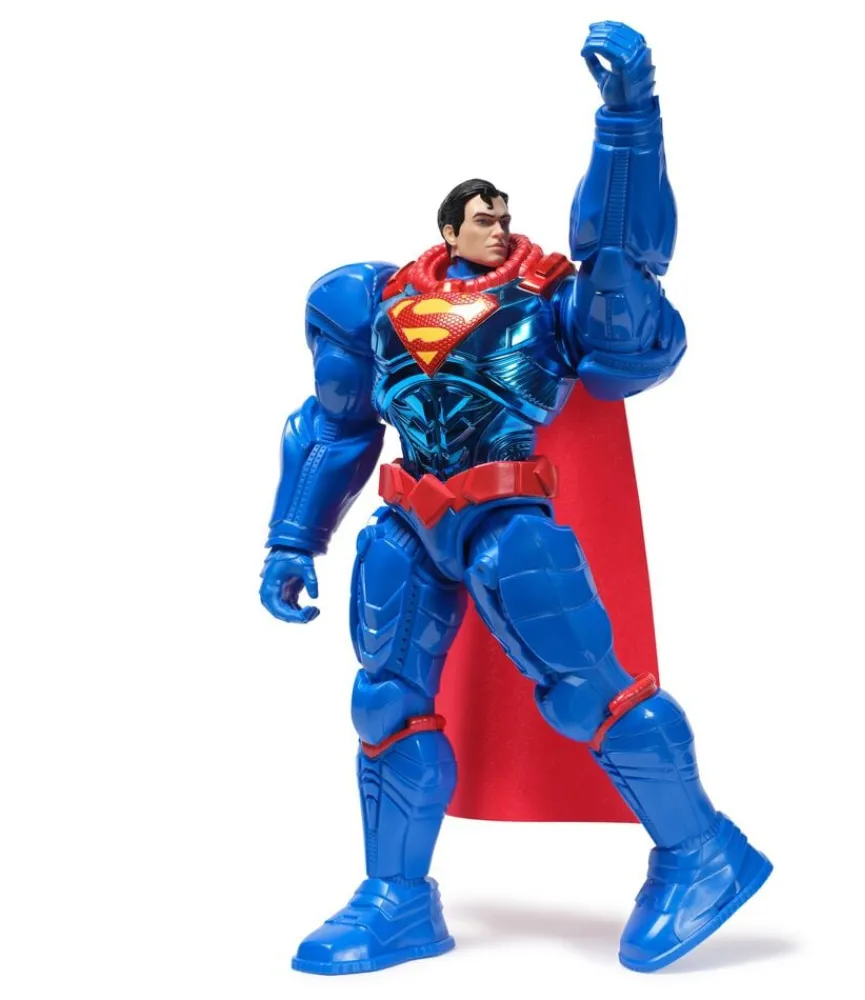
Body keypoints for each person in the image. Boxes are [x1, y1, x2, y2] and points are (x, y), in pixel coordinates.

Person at [260, 20, 771, 975]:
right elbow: (334, 423)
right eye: (482, 214)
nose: (499, 223)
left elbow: (626, 266)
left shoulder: (550, 300)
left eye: (505, 212)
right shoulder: (369, 299)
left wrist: (627, 120)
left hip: (505, 520)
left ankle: (701, 851)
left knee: (591, 693)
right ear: (449, 226)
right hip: (406, 525)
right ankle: (396, 898)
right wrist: (293, 538)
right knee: (386, 703)